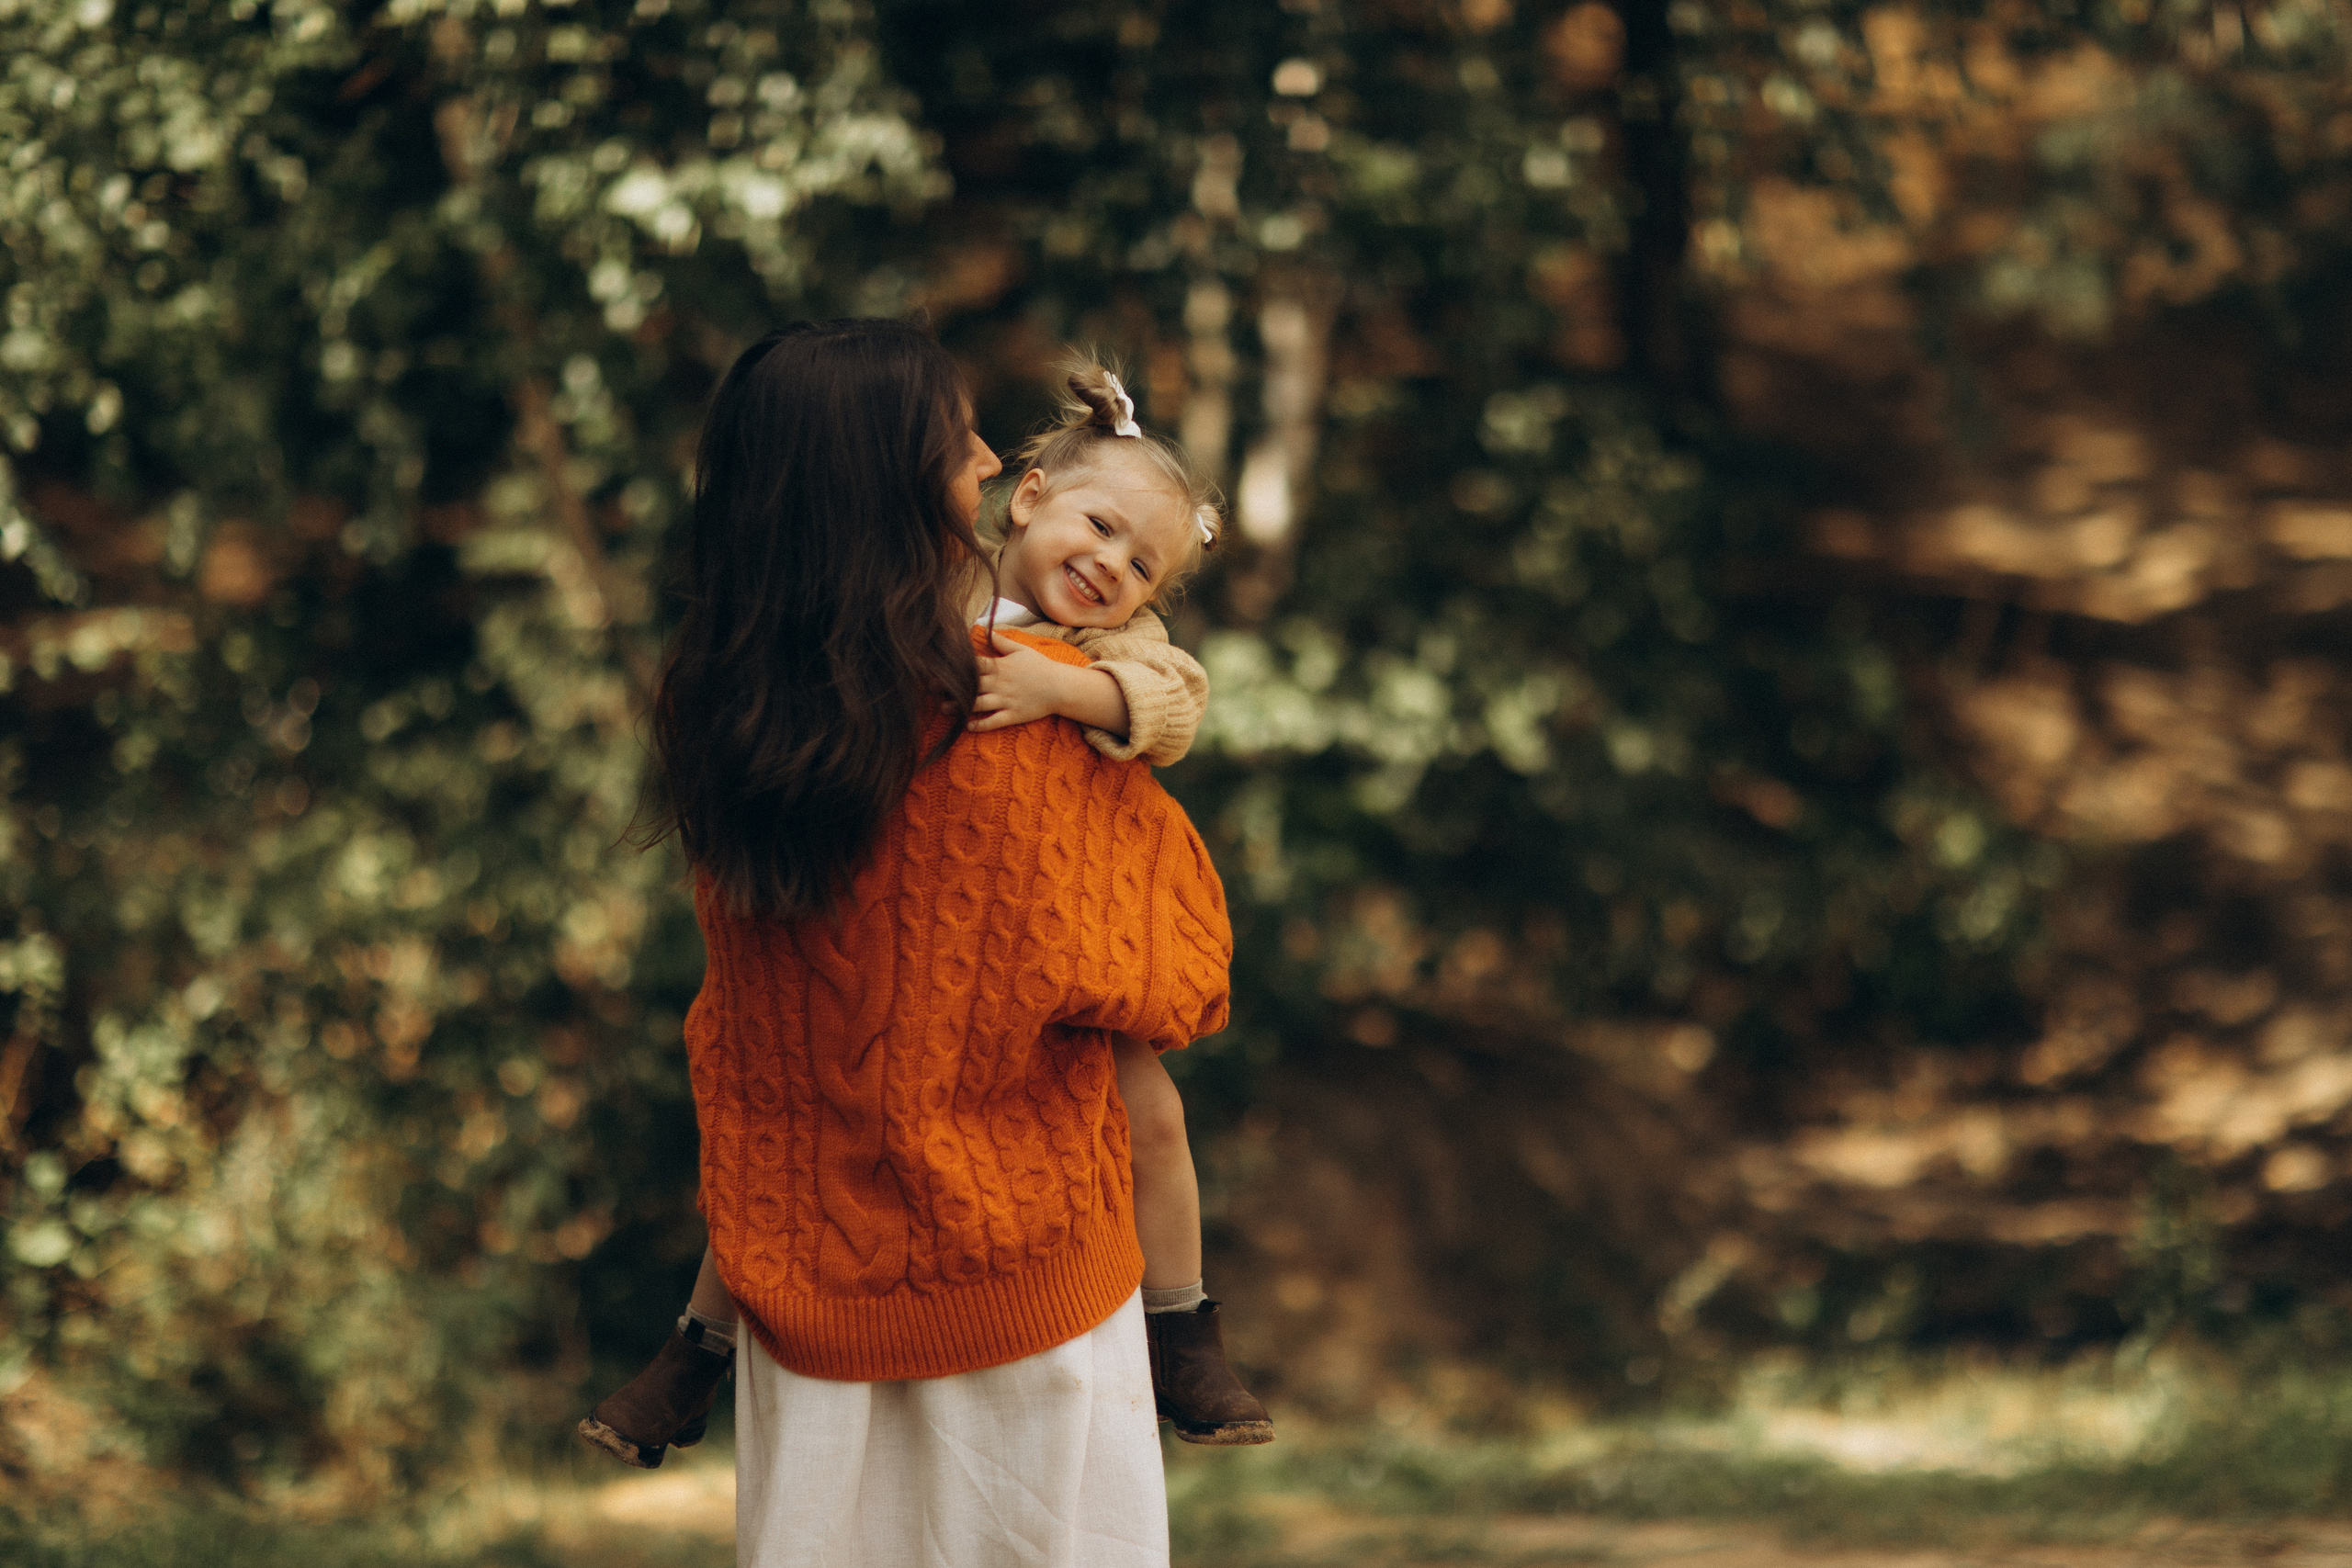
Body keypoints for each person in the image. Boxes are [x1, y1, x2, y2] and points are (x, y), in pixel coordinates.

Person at [588, 318, 1237, 1566]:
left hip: (806, 1270)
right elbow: (1164, 969)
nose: (990, 460)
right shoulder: (1010, 721)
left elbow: (760, 1021)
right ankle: (1189, 1326)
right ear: (889, 476)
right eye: (961, 443)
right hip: (1026, 1270)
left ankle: (688, 1351)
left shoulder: (731, 705)